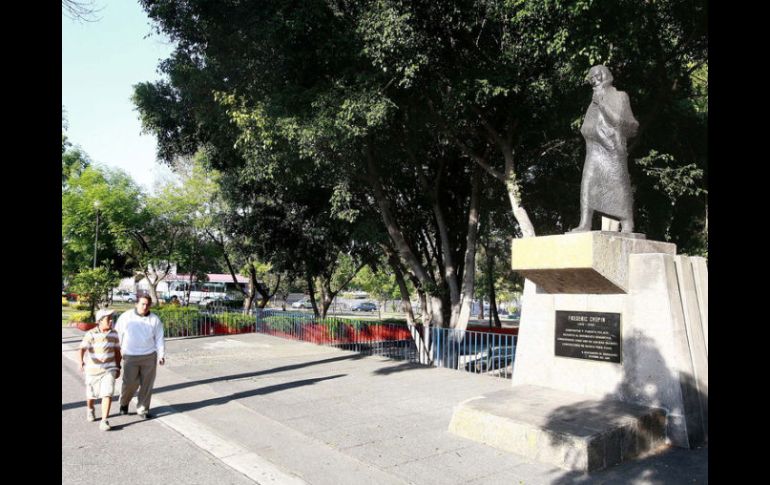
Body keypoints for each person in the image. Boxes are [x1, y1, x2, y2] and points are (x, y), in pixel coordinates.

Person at [570, 65, 639, 233]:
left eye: (595, 77)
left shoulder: (620, 96)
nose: (593, 81)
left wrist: (602, 106)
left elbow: (625, 123)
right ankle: (585, 222)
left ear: (604, 76)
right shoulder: (593, 101)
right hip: (593, 149)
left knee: (619, 184)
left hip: (612, 150)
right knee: (587, 181)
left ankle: (627, 222)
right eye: (591, 79)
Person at [114, 295, 165, 419]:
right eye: (142, 304)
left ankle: (143, 409)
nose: (145, 307)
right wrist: (118, 353)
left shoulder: (154, 320)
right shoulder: (126, 317)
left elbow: (159, 338)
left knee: (147, 385)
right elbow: (118, 335)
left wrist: (161, 355)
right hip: (130, 356)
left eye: (147, 304)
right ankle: (124, 403)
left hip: (149, 356)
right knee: (130, 383)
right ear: (136, 304)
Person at [78, 308, 121, 431]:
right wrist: (81, 361)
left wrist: (118, 367)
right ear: (100, 321)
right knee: (91, 395)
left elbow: (117, 352)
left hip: (109, 368)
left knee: (107, 392)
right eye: (108, 319)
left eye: (112, 318)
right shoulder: (91, 334)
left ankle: (104, 420)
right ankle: (90, 409)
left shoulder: (114, 333)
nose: (111, 320)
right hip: (92, 370)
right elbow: (81, 349)